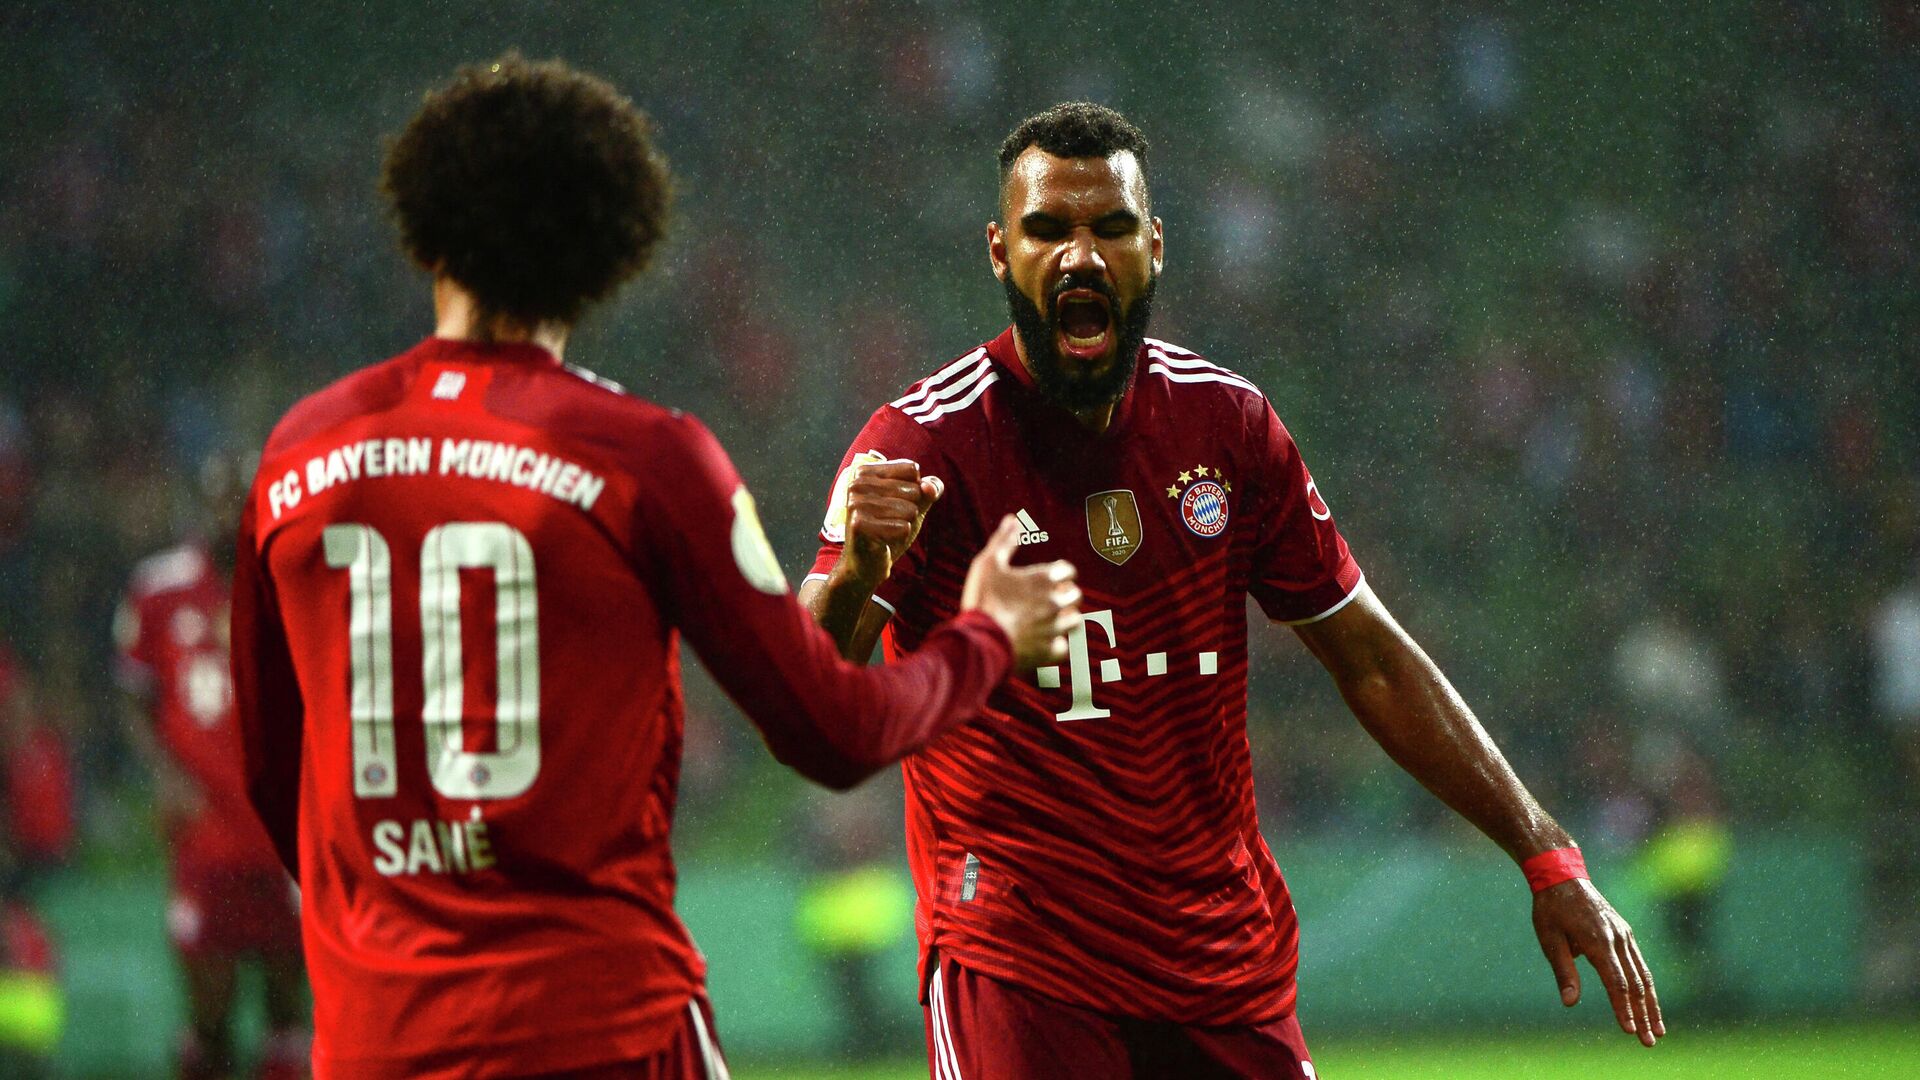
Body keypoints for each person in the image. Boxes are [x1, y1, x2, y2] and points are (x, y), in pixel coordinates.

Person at [228, 56, 1078, 1080]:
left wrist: (405, 929)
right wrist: (984, 638)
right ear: (608, 246)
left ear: (423, 226)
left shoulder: (300, 456)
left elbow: (277, 779)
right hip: (602, 1031)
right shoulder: (643, 456)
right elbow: (835, 733)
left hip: (379, 1039)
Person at [800, 102, 1663, 1078]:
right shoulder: (922, 446)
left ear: (1155, 247)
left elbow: (1372, 659)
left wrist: (1546, 853)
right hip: (1024, 969)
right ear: (1000, 254)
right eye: (1048, 230)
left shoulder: (1228, 426)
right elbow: (804, 689)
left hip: (1222, 969)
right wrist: (862, 575)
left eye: (1110, 228)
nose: (1080, 257)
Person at [114, 457, 308, 1080]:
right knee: (209, 1015)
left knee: (289, 1013)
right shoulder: (159, 587)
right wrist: (164, 774)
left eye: (241, 500)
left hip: (283, 833)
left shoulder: (294, 579)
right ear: (198, 505)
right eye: (219, 500)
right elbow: (132, 692)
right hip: (205, 833)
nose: (230, 513)